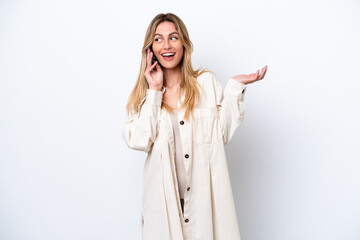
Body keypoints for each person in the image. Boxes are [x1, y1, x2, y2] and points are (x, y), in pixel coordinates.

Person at [122, 12, 267, 240]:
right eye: (158, 39)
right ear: (150, 49)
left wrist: (234, 88)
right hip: (163, 210)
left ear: (184, 43)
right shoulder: (142, 97)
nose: (167, 45)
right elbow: (139, 140)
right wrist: (153, 91)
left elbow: (222, 133)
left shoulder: (206, 84)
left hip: (204, 207)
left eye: (173, 37)